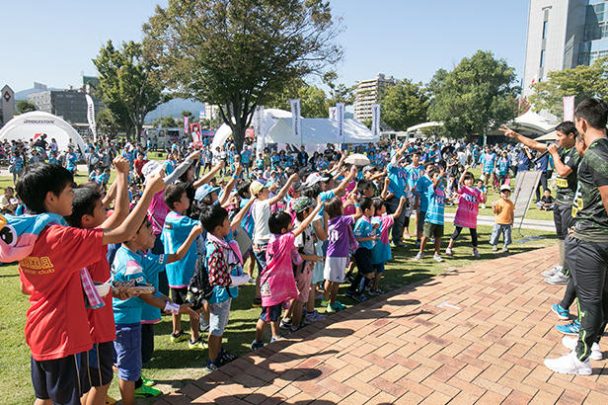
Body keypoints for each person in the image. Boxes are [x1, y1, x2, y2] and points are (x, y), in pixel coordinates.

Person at [13, 163, 165, 405]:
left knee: (44, 399)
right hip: (65, 335)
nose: (72, 195)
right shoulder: (61, 237)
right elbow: (124, 230)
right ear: (51, 198)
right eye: (68, 191)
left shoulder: (28, 236)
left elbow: (26, 287)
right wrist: (149, 190)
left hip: (39, 330)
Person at [545, 98, 608, 376]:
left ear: (581, 123)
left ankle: (580, 358)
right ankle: (590, 343)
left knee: (590, 299)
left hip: (592, 239)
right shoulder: (599, 149)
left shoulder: (598, 154)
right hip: (594, 237)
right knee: (599, 298)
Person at [111, 218, 201, 404]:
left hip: (129, 320)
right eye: (148, 227)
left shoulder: (137, 256)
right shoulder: (131, 264)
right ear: (133, 235)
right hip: (126, 323)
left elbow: (150, 289)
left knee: (131, 365)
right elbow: (147, 297)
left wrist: (170, 302)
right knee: (128, 371)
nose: (153, 230)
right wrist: (176, 308)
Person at [65, 157, 131, 405]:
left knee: (94, 382)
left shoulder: (82, 236)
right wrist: (123, 175)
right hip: (95, 329)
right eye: (102, 209)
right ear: (86, 219)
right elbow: (123, 215)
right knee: (101, 383)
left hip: (95, 325)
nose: (107, 210)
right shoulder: (91, 239)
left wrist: (119, 175)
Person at [501, 121, 580, 285]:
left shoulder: (576, 151)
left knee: (569, 237)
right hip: (560, 199)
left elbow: (563, 171)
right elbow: (534, 144)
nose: (556, 139)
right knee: (561, 236)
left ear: (571, 135)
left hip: (571, 202)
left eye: (560, 136)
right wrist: (515, 135)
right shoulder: (559, 148)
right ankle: (562, 266)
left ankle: (568, 272)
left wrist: (554, 155)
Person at [251, 202, 321, 350]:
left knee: (273, 313)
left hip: (271, 283)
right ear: (283, 229)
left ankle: (275, 336)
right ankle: (257, 342)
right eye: (290, 225)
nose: (292, 226)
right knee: (266, 314)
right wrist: (317, 208)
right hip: (273, 284)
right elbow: (301, 227)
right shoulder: (283, 240)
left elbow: (295, 255)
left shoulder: (274, 238)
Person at [162, 183, 203, 347]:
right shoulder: (183, 221)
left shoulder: (169, 218)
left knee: (176, 303)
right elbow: (201, 226)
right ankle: (195, 337)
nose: (189, 199)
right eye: (185, 197)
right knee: (194, 305)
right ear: (177, 204)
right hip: (186, 270)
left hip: (173, 270)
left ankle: (176, 331)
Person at [322, 196, 361, 313]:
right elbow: (359, 214)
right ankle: (332, 304)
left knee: (328, 280)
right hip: (339, 256)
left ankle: (325, 300)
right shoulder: (343, 220)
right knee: (336, 281)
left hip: (330, 254)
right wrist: (355, 202)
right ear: (338, 209)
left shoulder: (329, 221)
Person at [445, 169, 485, 258]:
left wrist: (484, 193)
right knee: (457, 232)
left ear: (473, 180)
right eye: (467, 179)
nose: (469, 181)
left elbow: (482, 201)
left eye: (471, 179)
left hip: (472, 216)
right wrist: (465, 170)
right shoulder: (463, 189)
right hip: (462, 215)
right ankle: (449, 248)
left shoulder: (477, 191)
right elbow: (459, 182)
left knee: (473, 234)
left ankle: (475, 249)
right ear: (464, 181)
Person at [415, 165, 446, 262]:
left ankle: (437, 253)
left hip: (439, 217)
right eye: (435, 176)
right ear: (432, 178)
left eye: (438, 175)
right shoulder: (430, 187)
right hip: (431, 216)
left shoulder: (441, 190)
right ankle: (421, 252)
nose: (438, 177)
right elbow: (436, 183)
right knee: (426, 235)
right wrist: (440, 175)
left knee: (438, 237)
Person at [490, 184, 514, 253]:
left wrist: (512, 220)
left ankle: (505, 246)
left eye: (507, 193)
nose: (505, 194)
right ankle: (494, 245)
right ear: (500, 194)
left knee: (507, 235)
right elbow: (495, 212)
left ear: (509, 194)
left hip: (507, 222)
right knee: (496, 234)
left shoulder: (510, 203)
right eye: (504, 193)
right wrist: (493, 207)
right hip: (499, 222)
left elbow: (512, 212)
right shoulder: (498, 202)